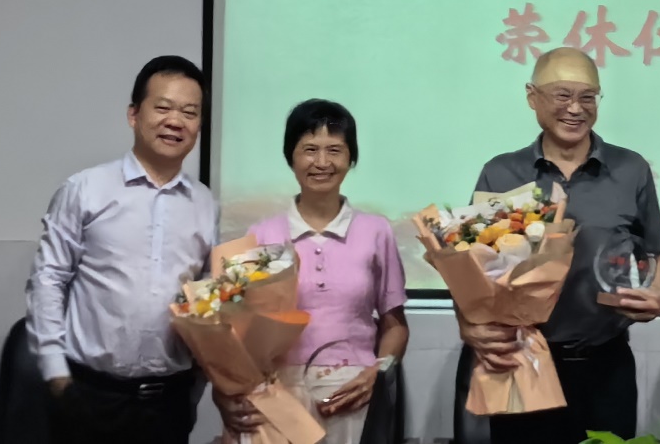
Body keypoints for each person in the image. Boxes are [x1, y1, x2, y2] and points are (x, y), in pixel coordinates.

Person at [461, 47, 660, 444]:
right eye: (562, 95)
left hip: (606, 366)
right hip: (523, 362)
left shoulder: (631, 169)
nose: (575, 108)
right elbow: (472, 269)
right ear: (532, 97)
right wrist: (468, 326)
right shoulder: (501, 173)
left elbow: (654, 255)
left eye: (587, 97)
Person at [26, 55, 215, 444]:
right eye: (163, 107)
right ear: (133, 114)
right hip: (90, 395)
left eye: (189, 112)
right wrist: (56, 374)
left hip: (169, 404)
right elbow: (49, 278)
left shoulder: (205, 204)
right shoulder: (86, 189)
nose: (175, 121)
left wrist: (195, 389)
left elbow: (207, 299)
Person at [217, 99, 409, 444]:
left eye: (334, 150)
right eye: (309, 149)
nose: (322, 162)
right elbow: (240, 330)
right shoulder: (262, 234)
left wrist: (376, 373)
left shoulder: (376, 230)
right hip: (278, 394)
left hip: (353, 393)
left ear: (351, 158)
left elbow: (395, 324)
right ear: (291, 157)